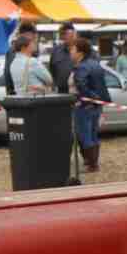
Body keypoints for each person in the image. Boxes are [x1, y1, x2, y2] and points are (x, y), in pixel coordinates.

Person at [69, 35, 109, 173]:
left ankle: (92, 164)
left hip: (83, 106)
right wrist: (98, 100)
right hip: (96, 106)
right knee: (93, 135)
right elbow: (102, 85)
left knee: (85, 135)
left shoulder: (81, 67)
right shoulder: (95, 64)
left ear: (80, 52)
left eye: (73, 49)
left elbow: (81, 85)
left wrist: (90, 98)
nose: (71, 52)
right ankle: (93, 163)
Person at [2, 27, 54, 96]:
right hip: (36, 97)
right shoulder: (32, 62)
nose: (34, 44)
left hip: (20, 97)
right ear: (24, 47)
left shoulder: (13, 63)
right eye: (32, 43)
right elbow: (49, 79)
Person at [49, 26, 77, 94]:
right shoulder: (56, 51)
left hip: (78, 90)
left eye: (71, 35)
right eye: (64, 34)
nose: (66, 36)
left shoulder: (82, 50)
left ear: (75, 35)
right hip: (61, 91)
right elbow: (52, 69)